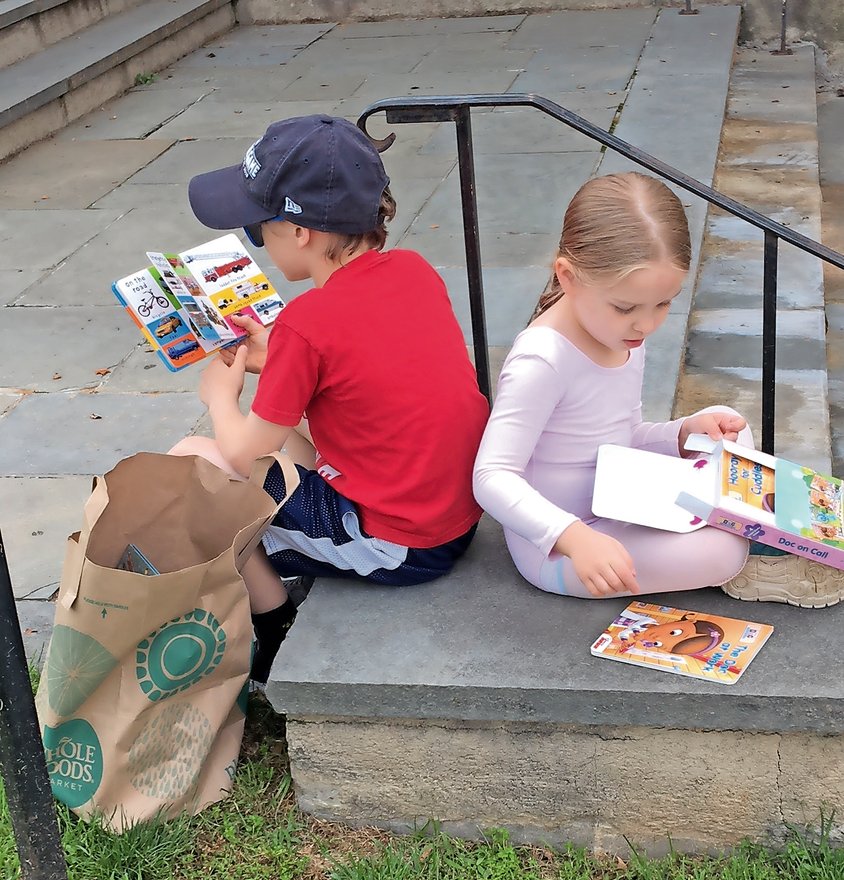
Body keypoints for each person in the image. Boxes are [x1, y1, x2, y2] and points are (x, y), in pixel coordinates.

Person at [170, 115, 489, 683]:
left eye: (254, 229)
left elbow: (241, 456)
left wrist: (221, 397)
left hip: (396, 544)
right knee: (285, 438)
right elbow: (362, 371)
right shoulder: (414, 271)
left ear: (300, 233)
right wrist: (279, 357)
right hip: (453, 518)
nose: (256, 244)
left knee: (196, 463)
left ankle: (273, 631)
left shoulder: (308, 322)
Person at [473, 171, 844, 607]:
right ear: (568, 276)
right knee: (720, 551)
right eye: (625, 307)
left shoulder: (621, 334)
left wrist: (682, 433)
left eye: (664, 304)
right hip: (567, 545)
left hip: (622, 492)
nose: (646, 325)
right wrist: (572, 538)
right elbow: (491, 477)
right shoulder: (542, 360)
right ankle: (741, 553)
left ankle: (729, 526)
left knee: (726, 429)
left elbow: (622, 435)